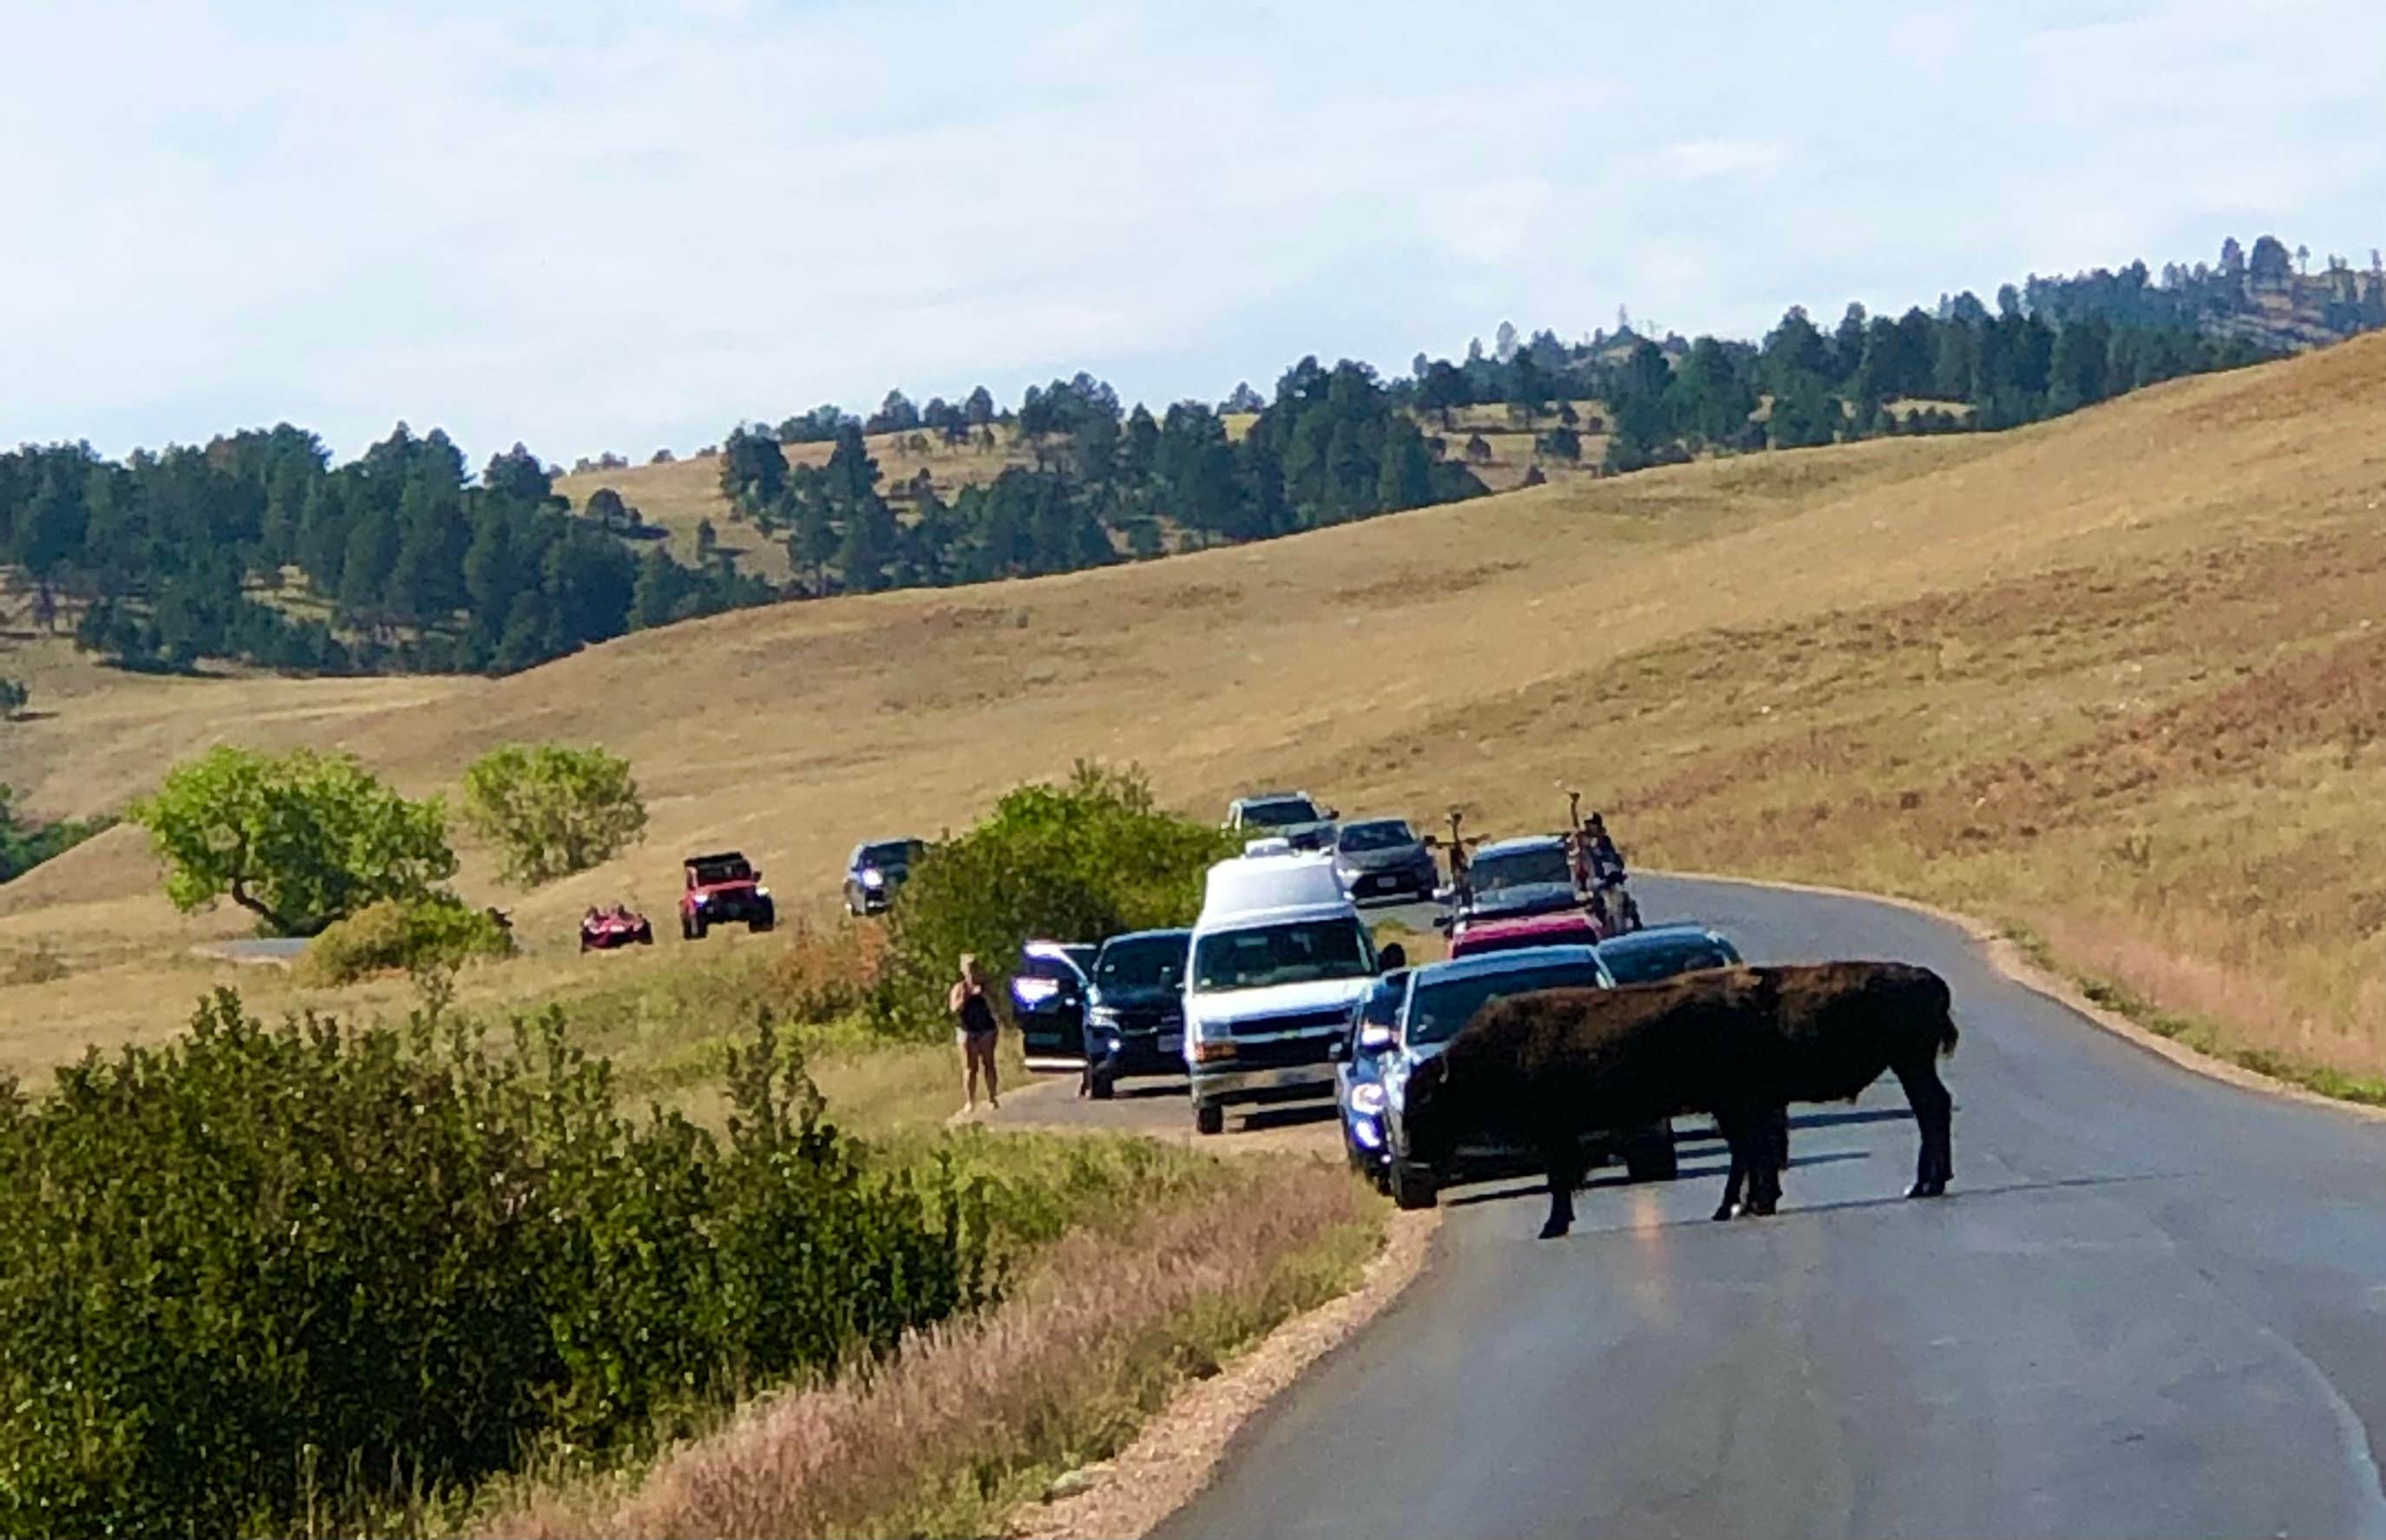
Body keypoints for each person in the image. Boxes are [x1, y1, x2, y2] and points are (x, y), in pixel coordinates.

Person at [948, 953, 1002, 1114]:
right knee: (970, 1067)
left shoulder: (986, 987)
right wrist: (964, 997)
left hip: (986, 1029)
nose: (972, 971)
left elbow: (997, 1007)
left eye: (975, 967)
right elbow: (953, 1009)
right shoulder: (959, 988)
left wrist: (985, 994)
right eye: (968, 968)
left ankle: (992, 1097)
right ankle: (970, 1101)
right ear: (963, 970)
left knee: (989, 1063)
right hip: (966, 1030)